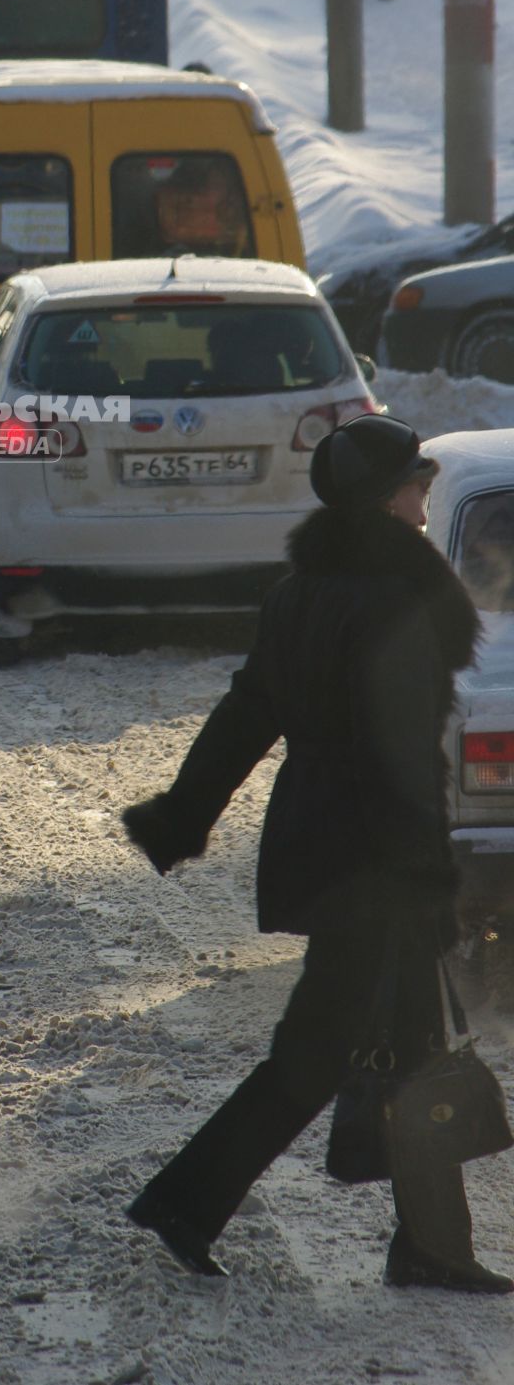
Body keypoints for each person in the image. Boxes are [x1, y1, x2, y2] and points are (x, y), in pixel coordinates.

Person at [121, 414, 512, 1293]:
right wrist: (430, 875)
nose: (424, 500)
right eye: (415, 484)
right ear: (386, 497)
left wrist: (185, 813)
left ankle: (433, 1245)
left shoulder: (301, 592)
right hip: (375, 861)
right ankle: (188, 1198)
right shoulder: (398, 597)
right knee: (318, 1047)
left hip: (328, 849)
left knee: (412, 1048)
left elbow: (246, 715)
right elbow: (401, 759)